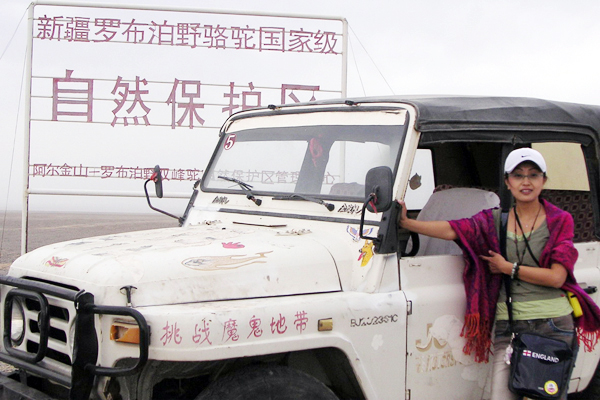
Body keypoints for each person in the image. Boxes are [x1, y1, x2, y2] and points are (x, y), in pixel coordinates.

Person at [398, 148, 600, 400]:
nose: (526, 182)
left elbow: (557, 277)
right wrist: (408, 223)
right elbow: (455, 229)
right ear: (507, 182)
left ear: (543, 180)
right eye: (518, 175)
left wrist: (509, 268)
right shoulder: (495, 220)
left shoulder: (560, 220)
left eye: (533, 175)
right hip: (510, 326)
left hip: (552, 325)